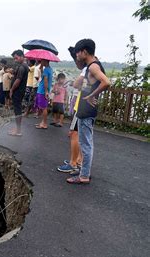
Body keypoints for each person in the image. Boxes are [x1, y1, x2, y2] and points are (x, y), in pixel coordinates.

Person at [67, 39, 110, 185]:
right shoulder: (92, 66)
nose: (77, 55)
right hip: (85, 109)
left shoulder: (93, 67)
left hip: (86, 111)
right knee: (85, 142)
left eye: (78, 52)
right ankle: (84, 172)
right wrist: (89, 92)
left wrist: (91, 95)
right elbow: (86, 85)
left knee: (85, 144)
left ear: (84, 52)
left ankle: (84, 176)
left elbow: (106, 82)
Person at [58, 48, 85, 174]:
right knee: (80, 136)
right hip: (82, 106)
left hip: (81, 107)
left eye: (76, 60)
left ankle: (73, 163)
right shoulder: (91, 68)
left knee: (74, 134)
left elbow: (77, 85)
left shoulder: (87, 69)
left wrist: (73, 82)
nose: (76, 63)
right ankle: (78, 160)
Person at [8, 50, 29, 136]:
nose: (15, 60)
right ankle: (17, 128)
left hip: (18, 92)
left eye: (16, 58)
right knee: (17, 109)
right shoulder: (23, 66)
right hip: (20, 91)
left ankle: (18, 131)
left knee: (17, 110)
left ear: (21, 56)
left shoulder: (22, 67)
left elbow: (18, 80)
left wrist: (12, 90)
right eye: (14, 58)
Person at [35, 59, 53, 129]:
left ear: (45, 61)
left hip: (42, 91)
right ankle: (42, 122)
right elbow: (44, 77)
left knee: (43, 108)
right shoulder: (49, 69)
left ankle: (44, 123)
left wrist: (46, 92)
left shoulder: (46, 70)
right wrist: (41, 68)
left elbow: (45, 81)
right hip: (43, 90)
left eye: (42, 61)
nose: (41, 62)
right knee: (43, 107)